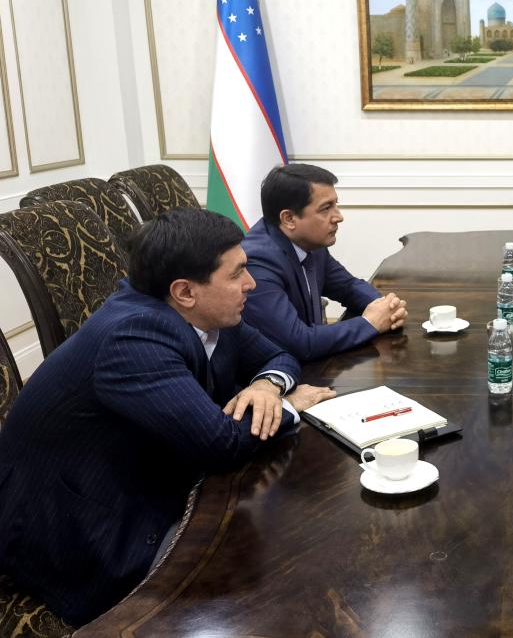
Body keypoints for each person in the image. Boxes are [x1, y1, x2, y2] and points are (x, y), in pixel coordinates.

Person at [0, 209, 335, 625]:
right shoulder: (134, 337)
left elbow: (279, 356)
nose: (250, 283)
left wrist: (267, 387)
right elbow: (220, 443)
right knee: (258, 586)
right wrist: (289, 406)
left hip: (151, 473)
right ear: (185, 291)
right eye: (236, 273)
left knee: (282, 530)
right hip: (87, 527)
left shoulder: (208, 309)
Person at [242, 164, 407, 362]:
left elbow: (347, 286)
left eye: (336, 205)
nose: (339, 217)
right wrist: (370, 322)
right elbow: (299, 342)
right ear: (289, 219)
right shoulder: (258, 262)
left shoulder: (310, 242)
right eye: (326, 208)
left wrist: (385, 306)